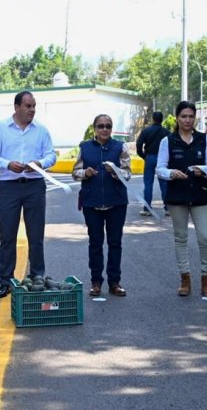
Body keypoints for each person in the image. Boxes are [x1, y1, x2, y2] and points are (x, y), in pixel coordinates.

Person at [0, 91, 57, 298]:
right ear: (16, 107)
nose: (32, 110)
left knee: (36, 236)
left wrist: (40, 164)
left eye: (34, 106)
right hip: (9, 186)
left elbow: (51, 155)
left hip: (35, 186)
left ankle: (37, 278)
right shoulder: (1, 128)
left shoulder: (41, 130)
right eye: (28, 106)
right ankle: (6, 281)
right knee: (7, 235)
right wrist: (7, 164)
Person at [156, 101, 207, 300]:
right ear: (177, 118)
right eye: (184, 116)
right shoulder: (168, 141)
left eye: (191, 116)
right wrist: (171, 173)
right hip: (177, 196)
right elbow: (160, 168)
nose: (187, 120)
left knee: (205, 238)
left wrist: (204, 170)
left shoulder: (203, 139)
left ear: (195, 118)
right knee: (180, 238)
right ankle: (185, 279)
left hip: (200, 194)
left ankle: (206, 279)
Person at [72, 114, 131, 297]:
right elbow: (75, 172)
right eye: (101, 126)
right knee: (95, 243)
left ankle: (115, 282)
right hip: (92, 202)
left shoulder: (120, 147)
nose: (104, 129)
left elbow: (128, 173)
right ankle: (96, 282)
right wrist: (85, 173)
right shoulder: (85, 148)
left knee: (115, 243)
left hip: (116, 202)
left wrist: (116, 172)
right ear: (94, 128)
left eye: (108, 126)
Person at [136, 111, 170, 216]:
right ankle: (168, 208)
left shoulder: (146, 131)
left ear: (153, 119)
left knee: (148, 184)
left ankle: (147, 209)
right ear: (162, 119)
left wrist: (143, 156)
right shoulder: (166, 132)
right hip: (162, 159)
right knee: (164, 183)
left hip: (149, 157)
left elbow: (139, 144)